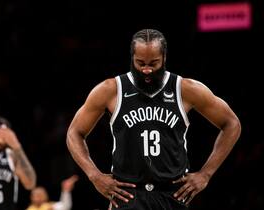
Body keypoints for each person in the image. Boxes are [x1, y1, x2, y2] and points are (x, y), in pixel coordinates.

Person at [66, 28, 241, 210]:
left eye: (153, 63)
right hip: (127, 194)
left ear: (164, 58)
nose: (147, 70)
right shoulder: (111, 89)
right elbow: (74, 132)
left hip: (173, 194)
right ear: (131, 58)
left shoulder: (185, 89)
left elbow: (232, 124)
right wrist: (94, 176)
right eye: (140, 63)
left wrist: (206, 174)